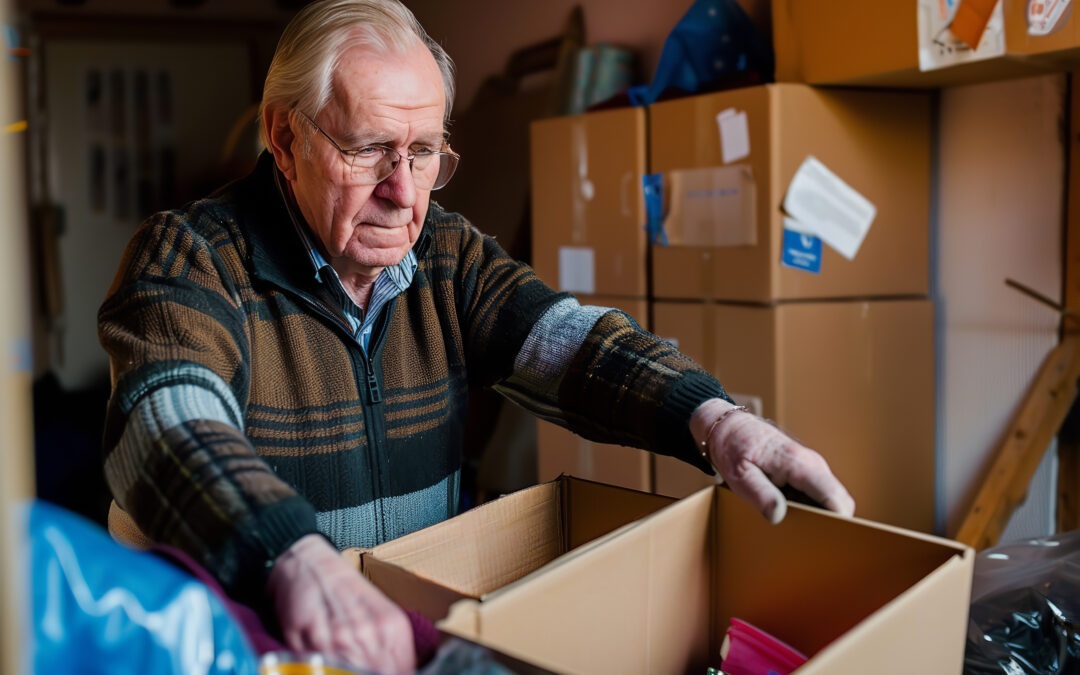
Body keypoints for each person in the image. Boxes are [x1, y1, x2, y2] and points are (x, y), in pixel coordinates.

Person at [98, 1, 855, 672]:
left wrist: (715, 419)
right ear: (284, 137)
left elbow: (571, 343)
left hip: (408, 641)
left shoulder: (447, 256)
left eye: (424, 152)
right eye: (369, 149)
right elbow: (169, 425)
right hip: (243, 650)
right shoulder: (192, 257)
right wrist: (292, 553)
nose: (402, 190)